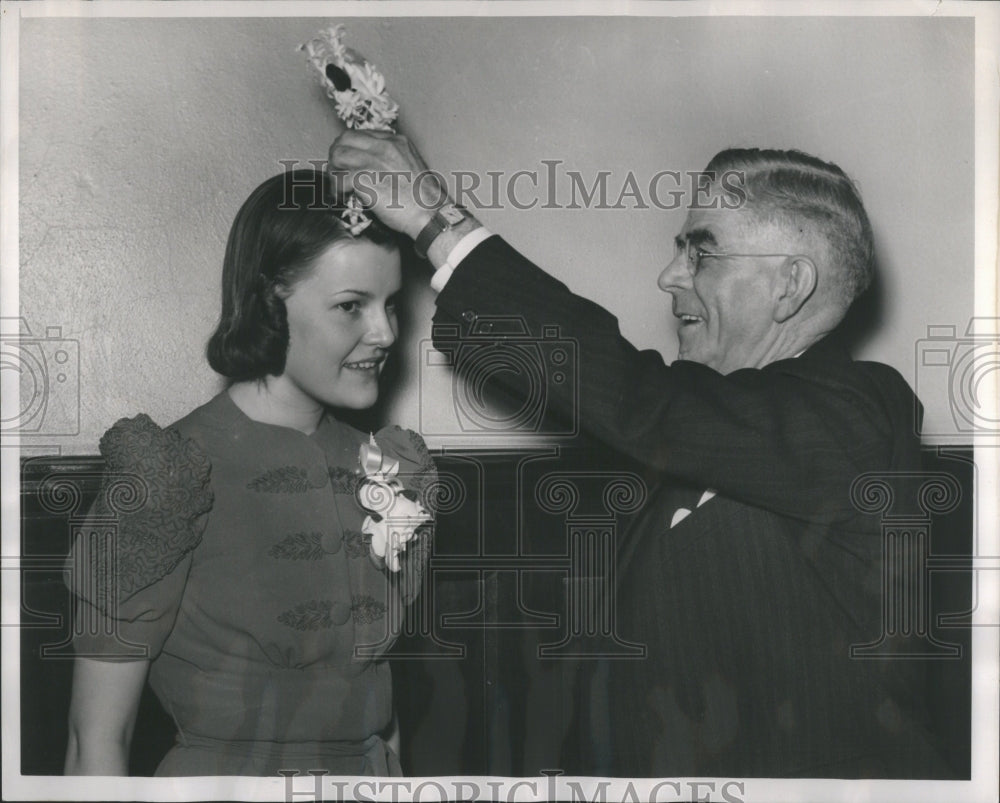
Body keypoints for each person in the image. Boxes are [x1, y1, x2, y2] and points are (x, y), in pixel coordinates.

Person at [329, 134, 951, 777]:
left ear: (789, 285)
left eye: (701, 253)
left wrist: (436, 225)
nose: (669, 276)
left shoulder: (857, 415)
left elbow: (632, 394)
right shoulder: (697, 450)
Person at [62, 168, 437, 776]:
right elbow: (95, 740)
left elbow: (381, 719)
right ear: (269, 304)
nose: (386, 332)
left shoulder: (393, 468)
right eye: (351, 307)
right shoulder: (164, 478)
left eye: (390, 303)